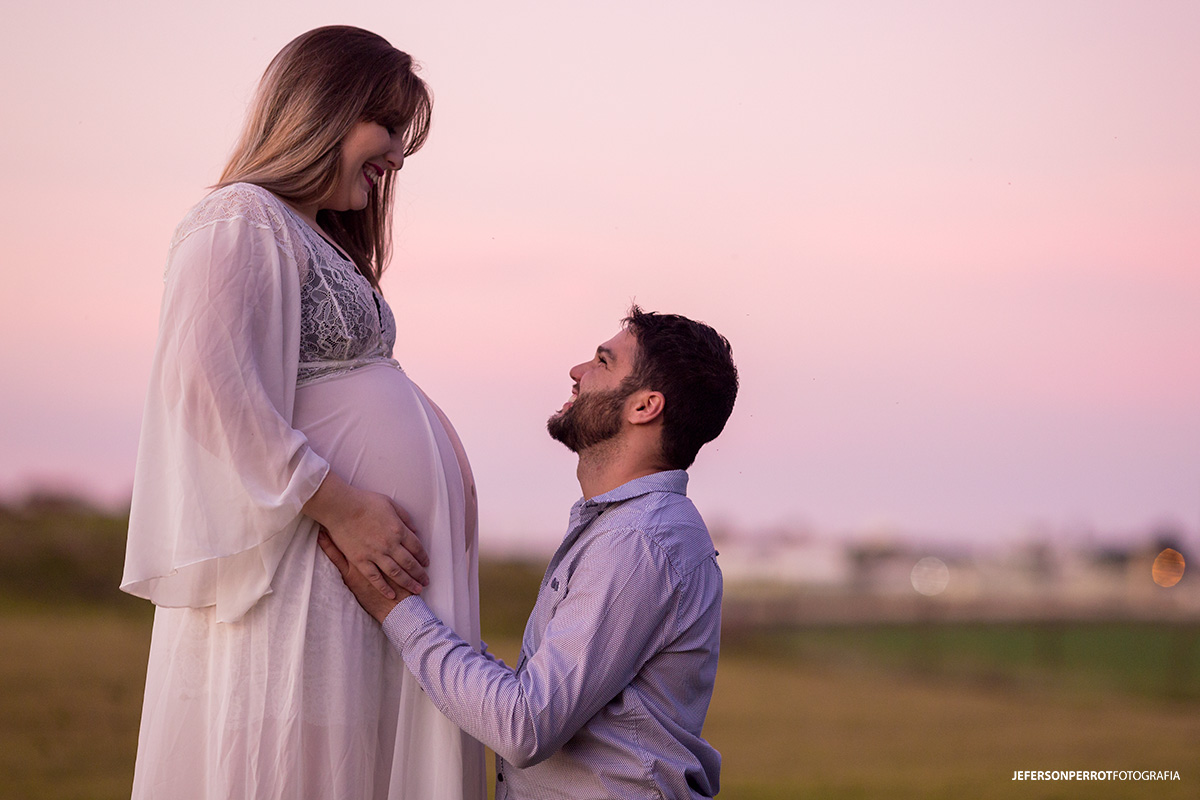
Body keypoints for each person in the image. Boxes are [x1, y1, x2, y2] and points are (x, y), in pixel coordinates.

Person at [120, 26, 486, 799]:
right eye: (386, 127)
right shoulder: (240, 219)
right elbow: (206, 387)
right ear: (324, 109)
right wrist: (345, 507)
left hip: (349, 585)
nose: (395, 156)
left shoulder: (311, 235)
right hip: (303, 575)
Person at [320, 306, 739, 799]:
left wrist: (397, 609)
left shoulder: (640, 542)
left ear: (644, 407)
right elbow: (534, 702)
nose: (577, 371)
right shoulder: (624, 529)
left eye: (603, 362)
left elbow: (524, 725)